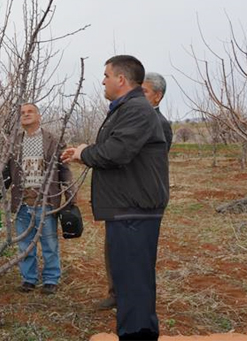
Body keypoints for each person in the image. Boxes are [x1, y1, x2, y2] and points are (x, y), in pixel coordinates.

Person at [62, 55, 169, 341]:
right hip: (128, 208)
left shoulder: (136, 109)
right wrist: (82, 152)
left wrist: (85, 153)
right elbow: (115, 147)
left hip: (134, 210)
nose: (103, 81)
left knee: (133, 284)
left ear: (121, 79)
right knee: (131, 282)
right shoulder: (129, 108)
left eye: (106, 75)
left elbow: (116, 152)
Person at [96, 72, 173, 311]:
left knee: (136, 258)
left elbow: (142, 163)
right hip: (121, 201)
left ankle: (131, 301)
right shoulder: (129, 118)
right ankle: (116, 293)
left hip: (138, 204)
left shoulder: (158, 124)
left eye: (144, 92)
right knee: (114, 250)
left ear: (157, 97)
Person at [3, 102, 75, 295]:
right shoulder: (14, 142)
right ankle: (29, 279)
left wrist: (70, 195)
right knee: (25, 244)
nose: (26, 115)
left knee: (49, 243)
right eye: (22, 113)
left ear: (39, 116)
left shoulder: (53, 140)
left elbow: (65, 170)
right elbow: (6, 173)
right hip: (22, 203)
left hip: (46, 202)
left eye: (30, 112)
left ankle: (51, 278)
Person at [143, 72, 173, 151]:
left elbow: (158, 159)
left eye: (144, 91)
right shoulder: (133, 118)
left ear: (157, 96)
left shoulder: (160, 124)